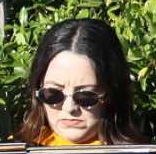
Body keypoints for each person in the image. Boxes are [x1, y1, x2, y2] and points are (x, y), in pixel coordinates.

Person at [11, 18, 145, 146]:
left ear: (111, 94)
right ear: (37, 89)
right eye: (53, 94)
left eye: (86, 97)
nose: (69, 108)